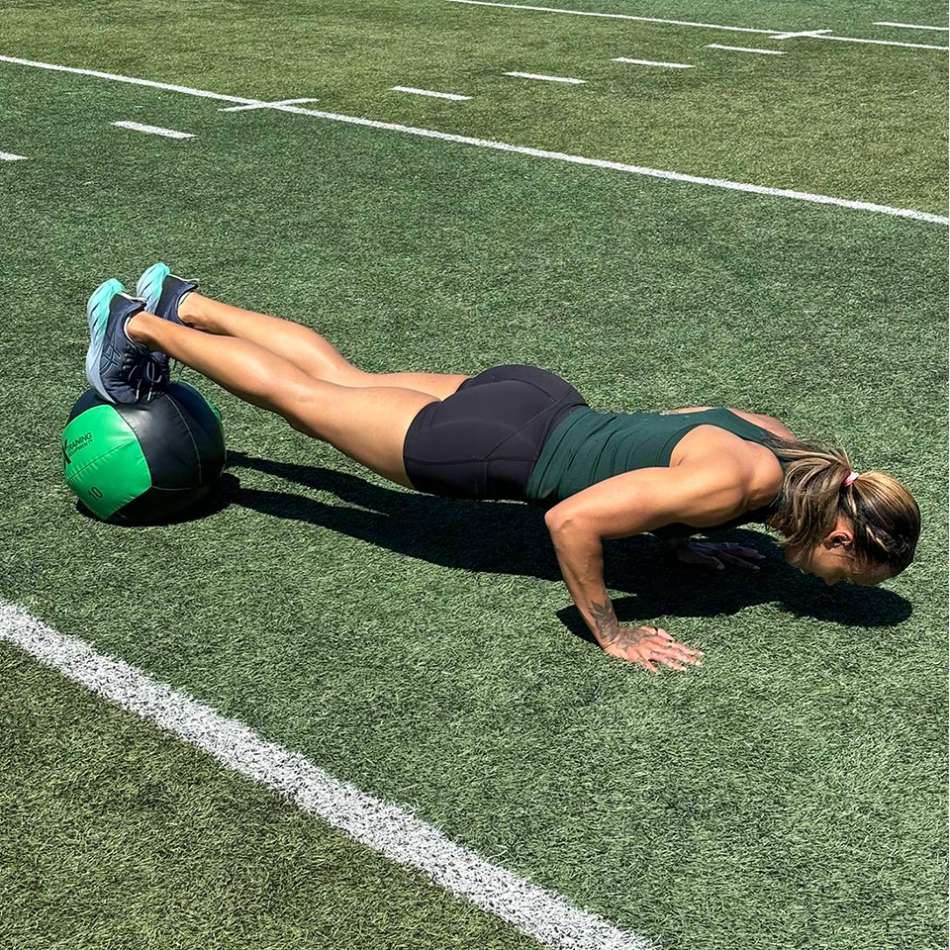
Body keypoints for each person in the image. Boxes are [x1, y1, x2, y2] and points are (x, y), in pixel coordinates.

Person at [84, 264, 921, 674]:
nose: (831, 587)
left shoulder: (782, 448)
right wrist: (614, 629)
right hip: (496, 452)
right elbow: (572, 520)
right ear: (840, 533)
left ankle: (180, 299)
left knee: (345, 376)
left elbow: (664, 442)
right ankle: (140, 329)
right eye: (846, 578)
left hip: (538, 400)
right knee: (304, 398)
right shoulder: (742, 487)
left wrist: (680, 543)